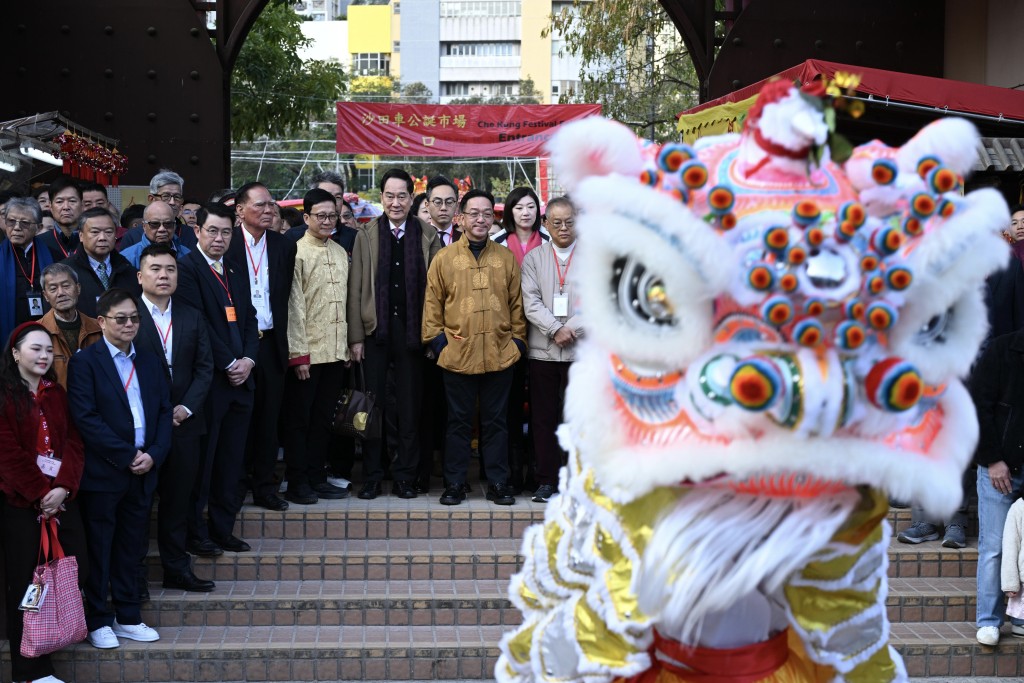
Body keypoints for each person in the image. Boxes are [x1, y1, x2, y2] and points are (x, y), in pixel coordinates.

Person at [67, 288, 171, 650]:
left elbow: (162, 411)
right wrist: (127, 454)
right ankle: (98, 619)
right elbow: (86, 418)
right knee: (100, 547)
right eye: (120, 319)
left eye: (134, 318)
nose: (129, 325)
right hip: (105, 472)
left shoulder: (149, 359)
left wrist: (153, 454)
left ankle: (128, 616)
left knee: (131, 547)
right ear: (102, 321)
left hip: (144, 469)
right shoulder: (86, 362)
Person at [422, 188, 527, 506]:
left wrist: (518, 343)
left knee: (496, 422)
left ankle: (498, 482)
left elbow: (516, 307)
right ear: (461, 218)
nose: (481, 219)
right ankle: (455, 483)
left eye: (486, 214)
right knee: (458, 421)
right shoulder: (445, 258)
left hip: (499, 354)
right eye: (474, 213)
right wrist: (440, 345)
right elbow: (432, 307)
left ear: (493, 219)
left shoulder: (505, 258)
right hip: (457, 354)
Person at [0, 322, 87, 683]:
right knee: (26, 584)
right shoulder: (5, 395)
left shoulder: (55, 393)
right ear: (16, 353)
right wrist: (40, 495)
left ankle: (52, 643)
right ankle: (29, 669)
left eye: (48, 350)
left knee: (61, 575)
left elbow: (74, 444)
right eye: (35, 349)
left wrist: (63, 488)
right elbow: (7, 453)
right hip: (21, 506)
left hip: (60, 502)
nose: (44, 356)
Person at [348, 169, 439, 500]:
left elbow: (437, 291)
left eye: (403, 196)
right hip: (376, 333)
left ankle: (405, 475)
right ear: (382, 197)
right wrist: (356, 338)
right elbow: (356, 288)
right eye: (390, 195)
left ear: (412, 199)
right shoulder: (366, 234)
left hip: (414, 334)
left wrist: (432, 337)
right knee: (371, 406)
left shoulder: (427, 234)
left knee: (409, 407)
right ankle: (372, 475)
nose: (396, 202)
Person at [175, 203, 258, 555]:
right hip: (211, 383)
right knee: (204, 464)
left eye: (226, 232)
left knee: (231, 461)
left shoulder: (235, 267)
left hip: (242, 380)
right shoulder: (187, 269)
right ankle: (197, 533)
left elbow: (251, 318)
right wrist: (230, 362)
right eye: (213, 231)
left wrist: (250, 359)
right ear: (197, 231)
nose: (220, 238)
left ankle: (223, 528)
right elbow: (200, 326)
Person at [133, 243, 215, 592]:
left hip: (185, 424)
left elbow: (205, 368)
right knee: (136, 506)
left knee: (178, 502)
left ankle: (176, 569)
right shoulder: (128, 314)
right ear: (140, 275)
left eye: (170, 269)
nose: (164, 275)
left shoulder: (191, 315)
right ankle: (133, 579)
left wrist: (185, 407)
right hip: (142, 428)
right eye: (156, 269)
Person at [226, 182, 302, 510]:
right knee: (239, 417)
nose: (269, 210)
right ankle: (234, 483)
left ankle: (265, 486)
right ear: (240, 211)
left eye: (272, 204)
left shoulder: (284, 246)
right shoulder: (225, 244)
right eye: (261, 205)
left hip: (271, 342)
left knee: (270, 418)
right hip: (238, 344)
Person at [281, 188, 350, 504]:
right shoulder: (295, 251)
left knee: (324, 420)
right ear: (306, 217)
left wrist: (346, 347)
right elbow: (294, 306)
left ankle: (317, 477)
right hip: (307, 355)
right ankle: (297, 482)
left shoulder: (339, 251)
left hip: (335, 353)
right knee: (300, 421)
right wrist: (298, 354)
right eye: (320, 216)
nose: (326, 221)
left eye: (331, 216)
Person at [520, 196, 583, 503]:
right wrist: (555, 328)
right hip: (542, 351)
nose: (563, 228)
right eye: (556, 222)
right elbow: (529, 301)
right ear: (545, 224)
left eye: (569, 222)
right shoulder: (533, 258)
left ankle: (575, 478)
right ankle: (546, 479)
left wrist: (573, 327)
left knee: (578, 415)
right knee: (543, 417)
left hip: (580, 351)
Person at [493, 186, 549, 491]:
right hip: (508, 335)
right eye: (519, 207)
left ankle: (540, 470)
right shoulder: (497, 242)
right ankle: (513, 472)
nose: (526, 213)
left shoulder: (551, 242)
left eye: (531, 207)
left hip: (545, 334)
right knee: (510, 404)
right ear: (510, 212)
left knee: (541, 405)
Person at [971, 327, 1024, 646]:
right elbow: (978, 409)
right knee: (994, 546)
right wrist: (992, 460)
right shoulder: (1001, 350)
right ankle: (989, 620)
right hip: (1000, 466)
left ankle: (1020, 616)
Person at [62, 207, 140, 317]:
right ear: (81, 236)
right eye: (95, 232)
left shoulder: (129, 270)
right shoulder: (65, 272)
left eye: (108, 232)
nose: (102, 238)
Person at [38, 263, 103, 388]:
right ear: (45, 296)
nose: (61, 293)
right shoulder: (37, 332)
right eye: (53, 289)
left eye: (66, 286)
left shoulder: (99, 328)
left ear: (78, 288)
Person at [1, 197, 55, 342]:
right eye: (11, 221)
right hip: (9, 333)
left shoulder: (51, 255)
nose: (16, 227)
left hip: (44, 331)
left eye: (24, 223)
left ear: (38, 228)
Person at [119, 170, 197, 251]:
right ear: (151, 199)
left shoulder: (192, 234)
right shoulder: (132, 236)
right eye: (166, 196)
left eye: (177, 197)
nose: (172, 202)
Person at [119, 201, 191, 267]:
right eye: (155, 224)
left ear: (174, 226)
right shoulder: (127, 258)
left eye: (168, 224)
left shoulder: (187, 255)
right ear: (144, 226)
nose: (162, 229)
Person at [38, 176, 81, 262]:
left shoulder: (93, 239)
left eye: (72, 201)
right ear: (50, 206)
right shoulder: (39, 242)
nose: (66, 207)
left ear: (82, 205)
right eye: (59, 202)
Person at [427, 176, 460, 247]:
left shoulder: (465, 238)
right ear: (427, 206)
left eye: (449, 202)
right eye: (438, 202)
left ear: (457, 206)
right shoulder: (417, 237)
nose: (444, 208)